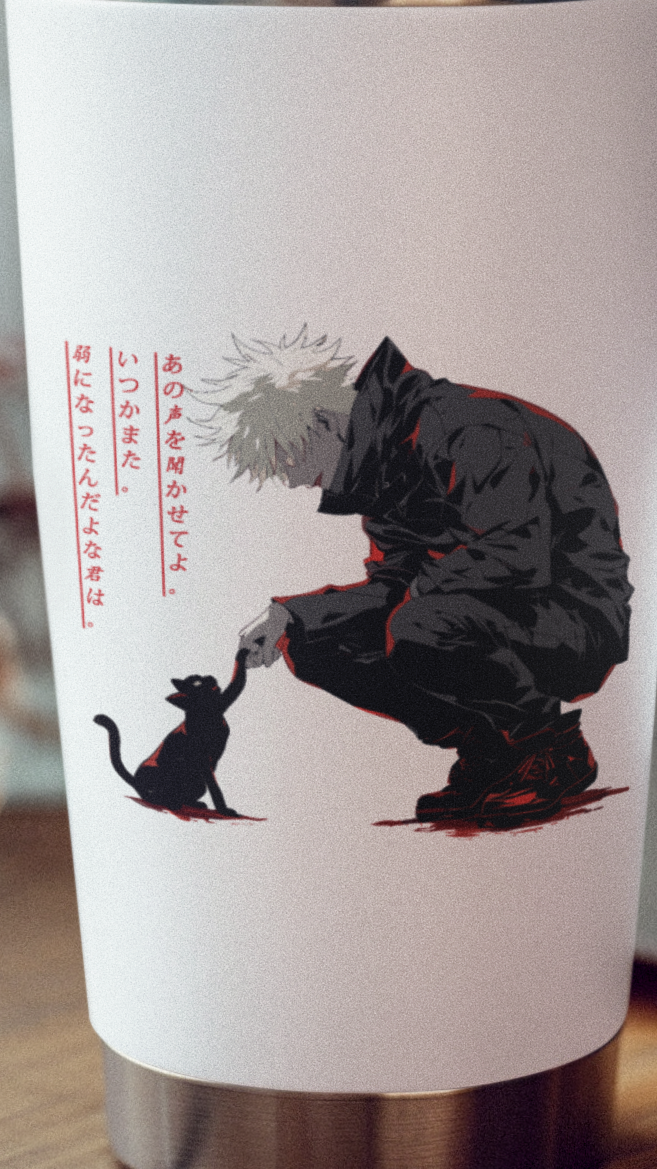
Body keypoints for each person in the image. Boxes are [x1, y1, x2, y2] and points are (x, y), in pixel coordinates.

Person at [202, 332, 630, 827]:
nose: (296, 480)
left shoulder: (472, 429)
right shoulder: (383, 467)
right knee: (312, 640)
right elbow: (394, 581)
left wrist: (412, 595)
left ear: (324, 423)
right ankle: (491, 752)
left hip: (575, 617)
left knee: (421, 625)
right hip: (487, 611)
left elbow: (516, 553)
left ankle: (546, 746)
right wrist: (291, 615)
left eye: (290, 459)